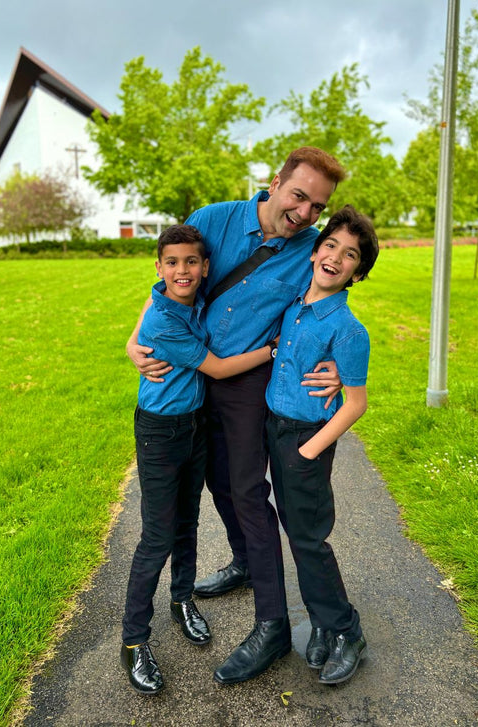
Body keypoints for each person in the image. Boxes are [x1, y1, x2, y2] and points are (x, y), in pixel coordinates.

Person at [126, 147, 346, 685]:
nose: (305, 213)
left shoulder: (309, 251)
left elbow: (327, 302)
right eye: (299, 196)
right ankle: (247, 562)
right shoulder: (212, 220)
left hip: (246, 379)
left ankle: (271, 623)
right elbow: (170, 286)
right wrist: (135, 338)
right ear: (275, 183)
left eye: (318, 206)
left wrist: (340, 366)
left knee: (247, 491)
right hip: (193, 373)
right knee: (216, 485)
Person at [121, 224, 280, 695]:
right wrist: (271, 350)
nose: (182, 270)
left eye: (191, 262)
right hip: (161, 433)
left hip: (193, 426)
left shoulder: (196, 296)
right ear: (158, 268)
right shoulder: (164, 322)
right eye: (172, 263)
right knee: (157, 536)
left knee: (187, 523)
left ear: (205, 267)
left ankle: (182, 599)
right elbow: (217, 367)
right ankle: (133, 641)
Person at [265, 205, 379, 685]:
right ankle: (320, 622)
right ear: (314, 252)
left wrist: (308, 451)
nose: (336, 256)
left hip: (306, 440)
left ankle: (345, 631)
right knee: (298, 535)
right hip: (275, 428)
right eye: (330, 245)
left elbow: (355, 404)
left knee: (309, 540)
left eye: (350, 254)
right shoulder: (293, 307)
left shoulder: (348, 329)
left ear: (358, 271)